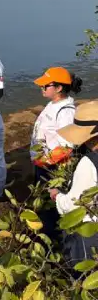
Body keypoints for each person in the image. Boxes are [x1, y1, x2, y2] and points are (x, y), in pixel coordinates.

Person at [49, 101, 98, 266]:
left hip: (89, 232)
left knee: (83, 273)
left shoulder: (89, 163)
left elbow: (75, 206)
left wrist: (57, 197)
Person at [31, 67, 82, 173]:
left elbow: (66, 146)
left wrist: (43, 161)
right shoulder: (53, 103)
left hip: (53, 166)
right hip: (43, 160)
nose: (41, 87)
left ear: (58, 88)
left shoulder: (66, 112)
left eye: (45, 85)